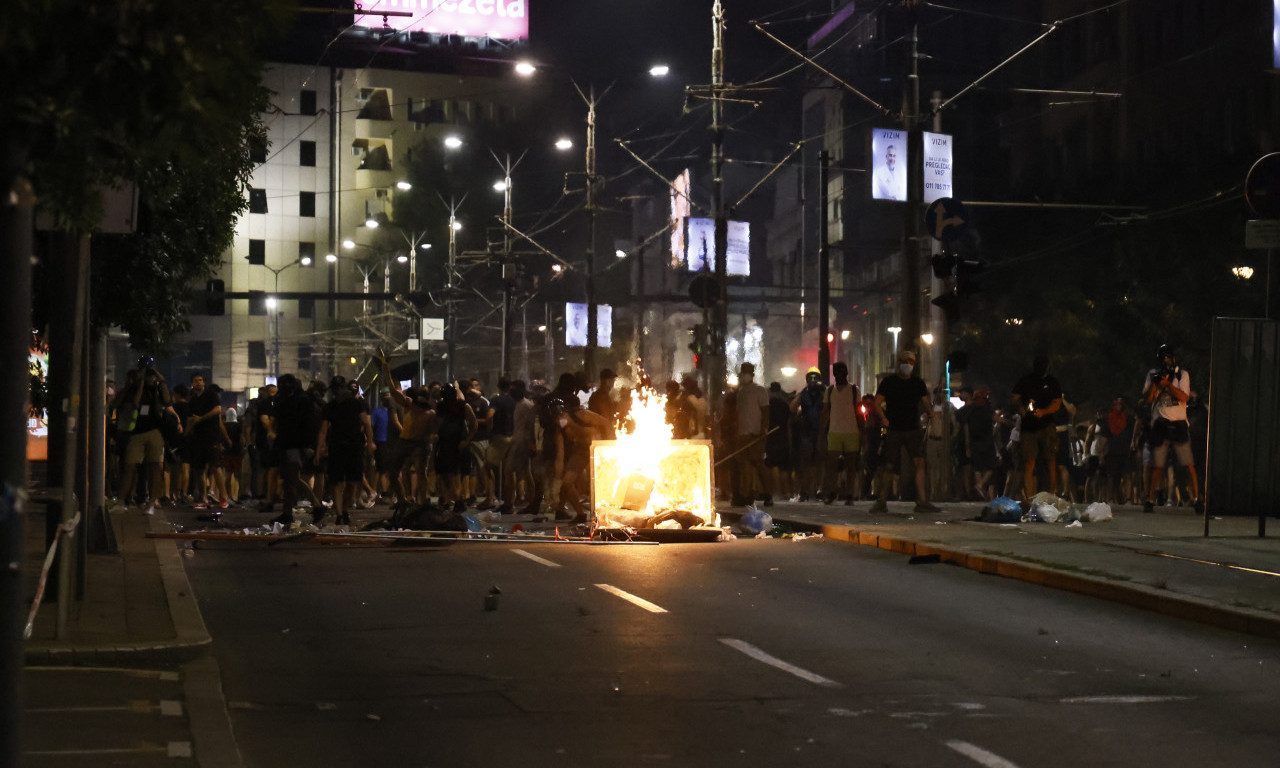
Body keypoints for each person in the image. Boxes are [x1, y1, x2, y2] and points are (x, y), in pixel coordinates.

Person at [870, 350, 940, 514]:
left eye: (911, 362)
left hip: (912, 429)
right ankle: (881, 501)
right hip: (894, 429)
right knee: (889, 465)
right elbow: (877, 402)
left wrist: (931, 413)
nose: (907, 364)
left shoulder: (917, 383)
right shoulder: (889, 382)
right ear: (899, 362)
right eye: (905, 361)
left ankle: (922, 501)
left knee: (919, 462)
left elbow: (925, 401)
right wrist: (883, 418)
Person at [1142, 344, 1201, 514]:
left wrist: (1168, 383)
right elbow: (1147, 399)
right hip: (1160, 422)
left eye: (1171, 357)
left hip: (1179, 422)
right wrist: (1157, 384)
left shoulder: (1182, 374)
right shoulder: (1154, 374)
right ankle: (1150, 499)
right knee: (1157, 465)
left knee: (1188, 463)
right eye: (1166, 358)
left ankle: (1197, 498)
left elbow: (1184, 397)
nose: (1169, 361)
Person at [115, 359, 173, 515]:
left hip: (155, 430)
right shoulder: (135, 387)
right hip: (138, 431)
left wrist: (161, 381)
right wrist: (140, 382)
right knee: (130, 466)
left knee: (157, 467)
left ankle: (151, 502)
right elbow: (135, 403)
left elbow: (167, 401)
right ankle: (121, 500)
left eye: (150, 372)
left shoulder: (158, 388)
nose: (149, 375)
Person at [317, 376, 374, 526]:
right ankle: (340, 514)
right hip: (341, 446)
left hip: (350, 445)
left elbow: (367, 424)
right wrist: (319, 449)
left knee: (351, 482)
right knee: (339, 483)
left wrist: (370, 443)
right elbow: (323, 431)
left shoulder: (355, 404)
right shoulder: (331, 406)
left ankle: (344, 510)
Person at [1010, 355, 1063, 500]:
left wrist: (1044, 412)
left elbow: (1057, 403)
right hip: (1029, 427)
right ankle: (1029, 497)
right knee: (1029, 461)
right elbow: (1014, 397)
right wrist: (1020, 408)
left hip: (1046, 426)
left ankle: (1051, 495)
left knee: (1050, 460)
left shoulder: (1052, 382)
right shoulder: (1026, 380)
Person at [820, 362, 863, 505]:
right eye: (837, 372)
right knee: (832, 465)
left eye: (842, 372)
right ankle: (832, 492)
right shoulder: (830, 390)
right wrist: (822, 431)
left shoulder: (854, 390)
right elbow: (825, 411)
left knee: (851, 465)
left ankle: (849, 494)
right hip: (834, 431)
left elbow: (859, 411)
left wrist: (862, 430)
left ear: (846, 373)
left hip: (851, 431)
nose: (839, 375)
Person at [186, 373, 229, 510]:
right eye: (195, 380)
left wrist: (201, 418)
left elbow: (218, 410)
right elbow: (190, 419)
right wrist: (186, 432)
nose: (198, 383)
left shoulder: (210, 395)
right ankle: (203, 498)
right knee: (199, 469)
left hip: (211, 436)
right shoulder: (192, 400)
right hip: (198, 438)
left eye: (200, 380)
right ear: (192, 384)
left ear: (204, 383)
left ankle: (224, 497)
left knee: (215, 466)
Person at [732, 362, 771, 506]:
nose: (744, 376)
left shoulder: (760, 391)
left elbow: (765, 411)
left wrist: (763, 429)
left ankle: (768, 494)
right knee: (744, 466)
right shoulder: (741, 392)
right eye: (743, 373)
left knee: (759, 464)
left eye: (747, 373)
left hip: (755, 434)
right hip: (742, 434)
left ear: (752, 375)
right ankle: (746, 495)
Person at [790, 368, 825, 502]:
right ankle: (805, 490)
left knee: (819, 461)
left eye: (815, 377)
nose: (813, 380)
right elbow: (792, 407)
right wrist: (800, 395)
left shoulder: (824, 392)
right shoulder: (804, 393)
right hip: (807, 432)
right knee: (806, 463)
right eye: (810, 377)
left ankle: (819, 489)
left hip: (820, 431)